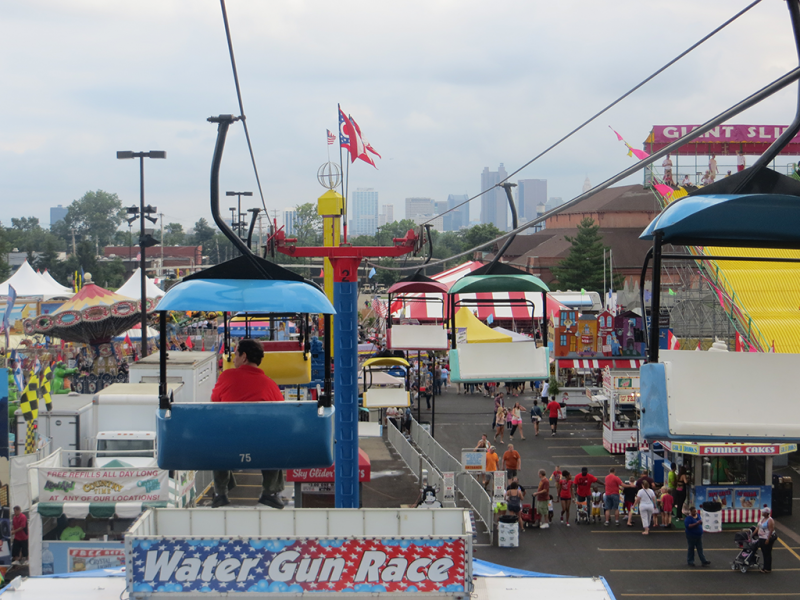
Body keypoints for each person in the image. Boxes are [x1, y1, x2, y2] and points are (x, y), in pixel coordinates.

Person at [210, 339, 286, 509]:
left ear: (243, 357)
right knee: (274, 437)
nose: (233, 358)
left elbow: (214, 402)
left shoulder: (226, 377)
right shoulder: (270, 385)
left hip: (229, 447)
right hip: (263, 448)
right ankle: (271, 491)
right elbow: (282, 416)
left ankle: (220, 492)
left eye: (235, 354)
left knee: (218, 435)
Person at [755, 507, 775, 573]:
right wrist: (752, 535)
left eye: (763, 512)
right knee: (764, 553)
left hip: (766, 538)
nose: (762, 513)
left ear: (766, 513)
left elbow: (771, 530)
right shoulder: (762, 519)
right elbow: (758, 527)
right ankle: (765, 567)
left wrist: (768, 539)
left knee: (767, 553)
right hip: (761, 538)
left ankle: (767, 568)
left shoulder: (770, 520)